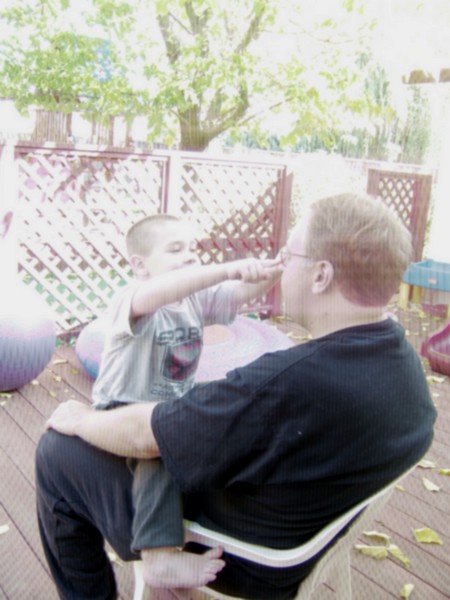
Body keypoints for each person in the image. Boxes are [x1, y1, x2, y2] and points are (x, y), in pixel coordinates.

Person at [36, 193, 436, 600]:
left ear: (320, 276)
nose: (283, 265)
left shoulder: (284, 384)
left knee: (56, 451)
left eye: (290, 256)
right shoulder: (400, 359)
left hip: (245, 559)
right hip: (297, 528)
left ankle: (148, 561)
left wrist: (81, 419)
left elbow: (147, 438)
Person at [89, 213, 283, 590]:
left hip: (169, 411)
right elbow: (164, 291)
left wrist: (274, 270)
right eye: (175, 249)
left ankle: (221, 518)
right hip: (120, 413)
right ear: (140, 265)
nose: (191, 256)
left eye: (192, 248)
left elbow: (240, 294)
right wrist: (227, 268)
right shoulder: (134, 298)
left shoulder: (193, 299)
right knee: (163, 446)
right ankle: (158, 556)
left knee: (214, 422)